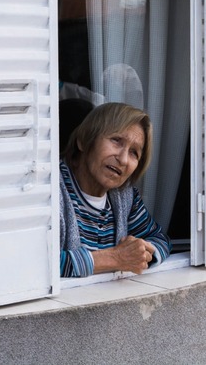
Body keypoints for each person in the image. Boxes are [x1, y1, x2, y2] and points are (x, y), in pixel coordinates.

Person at [60, 102, 171, 277]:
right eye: (116, 140)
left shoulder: (124, 197)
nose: (124, 159)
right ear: (84, 140)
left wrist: (140, 254)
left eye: (134, 152)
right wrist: (116, 258)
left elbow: (160, 239)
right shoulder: (53, 189)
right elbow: (38, 264)